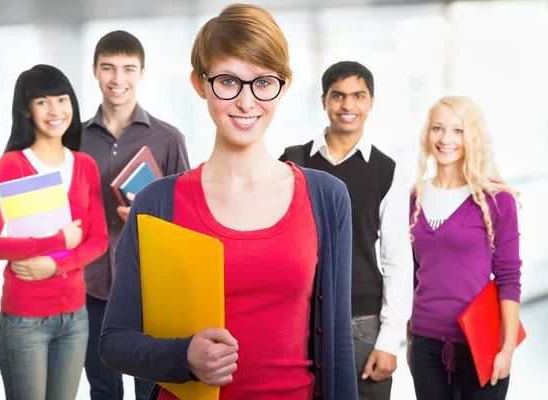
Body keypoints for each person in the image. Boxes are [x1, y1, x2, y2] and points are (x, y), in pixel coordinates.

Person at [99, 4, 358, 400]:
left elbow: (338, 343)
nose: (246, 101)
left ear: (284, 85)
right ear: (199, 84)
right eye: (227, 81)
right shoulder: (156, 203)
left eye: (263, 82)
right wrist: (182, 355)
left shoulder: (326, 196)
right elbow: (114, 341)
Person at [0, 64, 109, 400]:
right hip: (25, 321)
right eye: (42, 102)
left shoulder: (84, 165)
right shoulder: (13, 166)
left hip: (75, 318)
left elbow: (99, 240)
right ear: (26, 111)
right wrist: (56, 242)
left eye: (62, 100)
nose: (55, 111)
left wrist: (56, 264)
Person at [280, 61, 413, 400]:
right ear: (323, 100)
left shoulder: (387, 171)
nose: (348, 106)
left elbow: (397, 258)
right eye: (338, 96)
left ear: (371, 101)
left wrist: (388, 341)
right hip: (300, 318)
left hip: (363, 323)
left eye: (358, 96)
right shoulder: (292, 163)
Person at [80, 30, 190, 400]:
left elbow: (187, 217)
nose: (117, 79)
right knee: (102, 388)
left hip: (149, 286)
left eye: (128, 68)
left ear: (142, 73)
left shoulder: (168, 138)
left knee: (151, 390)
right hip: (89, 286)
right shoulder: (74, 140)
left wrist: (148, 223)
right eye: (108, 68)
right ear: (94, 70)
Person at [407, 96, 522, 399]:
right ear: (427, 134)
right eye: (437, 128)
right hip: (425, 343)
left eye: (458, 130)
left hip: (481, 343)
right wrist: (410, 337)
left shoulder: (497, 199)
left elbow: (509, 279)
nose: (446, 139)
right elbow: (414, 274)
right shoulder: (414, 198)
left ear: (473, 137)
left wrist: (507, 349)